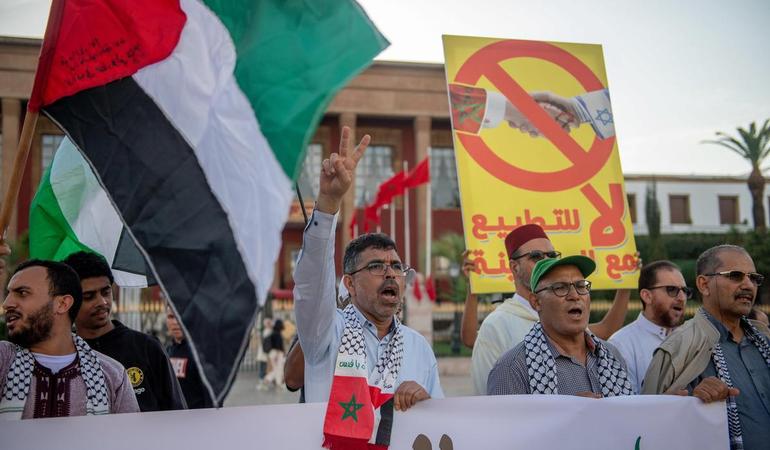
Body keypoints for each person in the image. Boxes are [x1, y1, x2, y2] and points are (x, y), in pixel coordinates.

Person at [294, 127, 442, 448]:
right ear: (349, 282)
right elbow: (311, 285)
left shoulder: (419, 349)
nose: (390, 274)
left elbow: (439, 428)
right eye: (376, 267)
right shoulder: (326, 334)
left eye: (397, 267)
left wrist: (426, 402)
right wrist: (329, 202)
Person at [470, 224, 632, 395]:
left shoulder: (611, 357)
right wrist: (570, 412)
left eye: (580, 286)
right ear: (536, 302)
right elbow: (496, 416)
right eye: (560, 287)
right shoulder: (510, 366)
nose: (574, 295)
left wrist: (626, 282)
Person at [643, 245, 770, 450]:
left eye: (754, 278)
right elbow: (648, 425)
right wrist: (693, 404)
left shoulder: (764, 339)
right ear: (704, 284)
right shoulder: (678, 348)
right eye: (736, 276)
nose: (748, 285)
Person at [1, 259, 138, 419]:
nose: (7, 303)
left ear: (62, 304)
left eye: (22, 293)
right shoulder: (4, 360)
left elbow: (127, 441)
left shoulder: (113, 375)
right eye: (8, 293)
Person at [63, 251, 186, 411]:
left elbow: (176, 412)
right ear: (67, 302)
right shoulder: (63, 355)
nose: (102, 301)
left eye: (106, 292)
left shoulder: (146, 347)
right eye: (89, 296)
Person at [609, 261, 690, 392]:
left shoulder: (692, 340)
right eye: (672, 290)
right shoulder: (621, 344)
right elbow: (623, 406)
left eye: (685, 291)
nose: (681, 297)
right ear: (647, 296)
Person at [165, 308, 214, 408]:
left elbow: (213, 397)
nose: (175, 322)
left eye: (180, 315)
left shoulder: (203, 352)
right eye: (171, 317)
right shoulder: (166, 352)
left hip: (198, 419)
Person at [263, 319, 286, 389]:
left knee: (277, 369)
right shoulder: (278, 334)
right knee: (278, 369)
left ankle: (269, 380)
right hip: (277, 354)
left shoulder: (273, 333)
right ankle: (273, 382)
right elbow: (278, 346)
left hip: (273, 353)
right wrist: (278, 355)